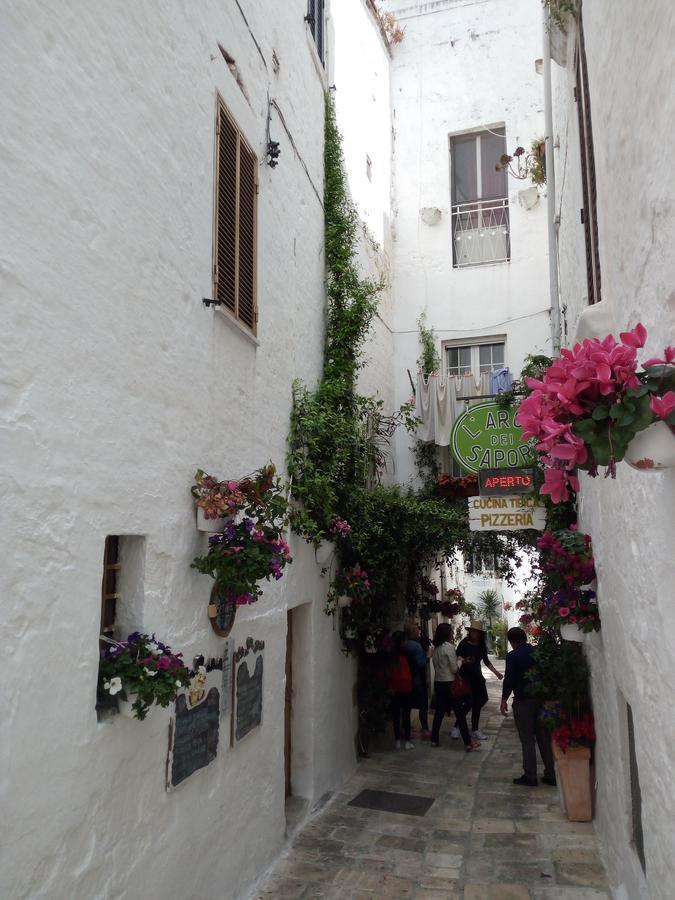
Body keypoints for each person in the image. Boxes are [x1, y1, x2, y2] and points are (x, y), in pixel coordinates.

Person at [500, 626, 556, 787]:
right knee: (544, 738)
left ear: (512, 641)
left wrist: (504, 698)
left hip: (523, 701)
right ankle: (551, 774)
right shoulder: (538, 652)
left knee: (527, 740)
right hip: (541, 699)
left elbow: (509, 678)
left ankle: (531, 775)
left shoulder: (513, 656)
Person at [430, 623, 480, 751]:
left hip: (438, 682)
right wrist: (461, 660)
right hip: (450, 683)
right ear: (447, 634)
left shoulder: (436, 648)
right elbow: (454, 668)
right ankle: (468, 743)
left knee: (439, 713)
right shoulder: (449, 647)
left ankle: (434, 739)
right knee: (460, 714)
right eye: (451, 632)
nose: (453, 634)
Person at [453, 621, 503, 741]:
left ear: (480, 633)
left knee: (480, 701)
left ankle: (475, 729)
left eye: (476, 631)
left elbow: (486, 660)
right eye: (472, 631)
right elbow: (457, 657)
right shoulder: (464, 643)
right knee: (468, 703)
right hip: (465, 677)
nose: (473, 633)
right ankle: (457, 726)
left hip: (477, 678)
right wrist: (464, 661)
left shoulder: (481, 645)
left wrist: (496, 673)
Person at [404, 620, 431, 739]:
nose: (419, 631)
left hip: (406, 678)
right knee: (422, 704)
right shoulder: (416, 646)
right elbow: (421, 663)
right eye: (416, 629)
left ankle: (405, 728)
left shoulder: (404, 644)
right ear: (413, 632)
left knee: (407, 704)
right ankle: (424, 729)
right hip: (417, 678)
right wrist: (428, 656)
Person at [388, 631, 414, 750]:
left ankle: (397, 740)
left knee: (396, 715)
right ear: (403, 641)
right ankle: (407, 741)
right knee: (406, 715)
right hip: (407, 688)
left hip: (394, 687)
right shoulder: (408, 653)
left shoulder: (390, 654)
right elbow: (414, 668)